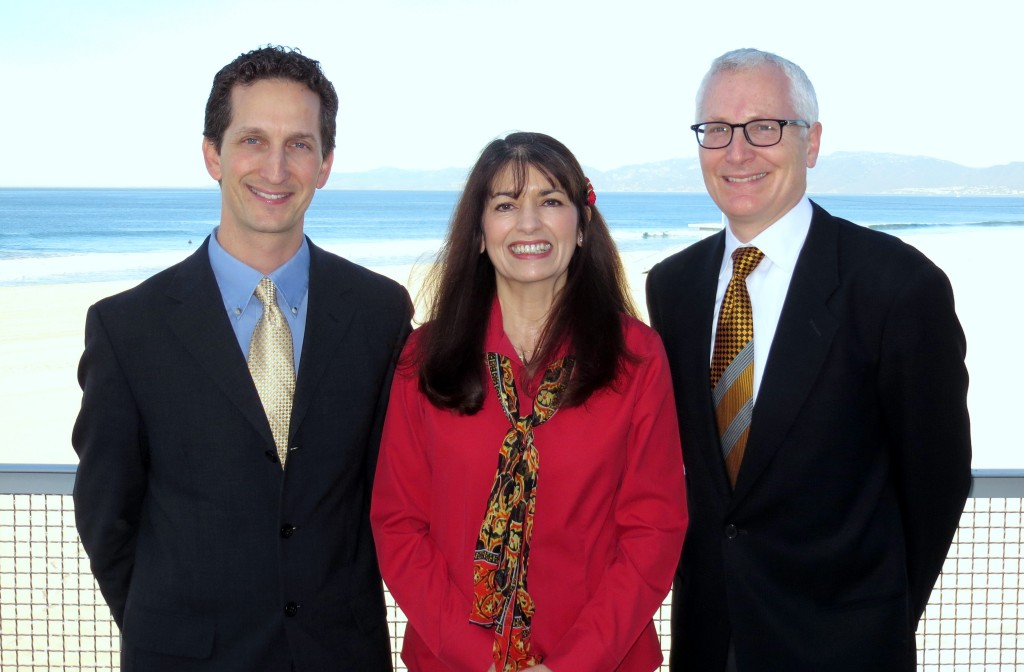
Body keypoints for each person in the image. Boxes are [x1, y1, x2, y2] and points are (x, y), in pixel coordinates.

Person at [72, 45, 412, 671]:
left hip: (341, 656)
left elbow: (389, 494)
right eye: (253, 139)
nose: (276, 168)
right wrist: (171, 632)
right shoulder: (128, 329)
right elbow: (106, 520)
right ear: (213, 155)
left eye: (300, 144)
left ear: (327, 164)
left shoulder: (380, 313)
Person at [646, 48, 972, 672]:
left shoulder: (896, 286)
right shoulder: (673, 287)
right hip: (708, 641)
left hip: (844, 646)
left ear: (812, 142)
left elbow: (938, 478)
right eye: (716, 130)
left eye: (763, 127)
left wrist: (878, 615)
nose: (737, 152)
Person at [371, 132, 687, 672]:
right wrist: (485, 661)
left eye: (550, 201)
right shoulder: (423, 358)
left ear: (583, 226)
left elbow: (654, 531)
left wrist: (572, 664)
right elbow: (399, 526)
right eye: (505, 205)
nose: (528, 223)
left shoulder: (637, 357)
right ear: (478, 232)